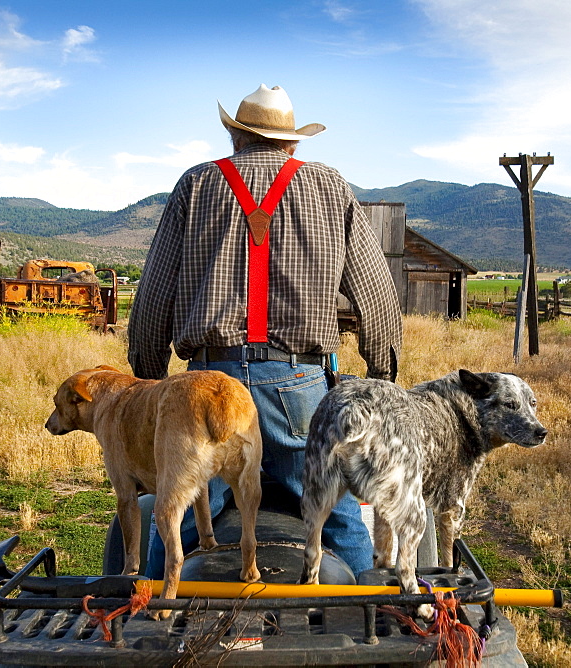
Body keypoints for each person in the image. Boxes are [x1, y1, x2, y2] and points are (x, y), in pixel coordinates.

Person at [127, 84, 402, 579]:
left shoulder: (196, 184)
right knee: (338, 517)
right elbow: (377, 295)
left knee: (177, 518)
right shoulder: (331, 187)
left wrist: (150, 377)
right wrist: (381, 375)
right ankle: (374, 616)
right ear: (292, 144)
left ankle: (146, 615)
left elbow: (153, 294)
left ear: (236, 137)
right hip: (298, 387)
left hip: (207, 384)